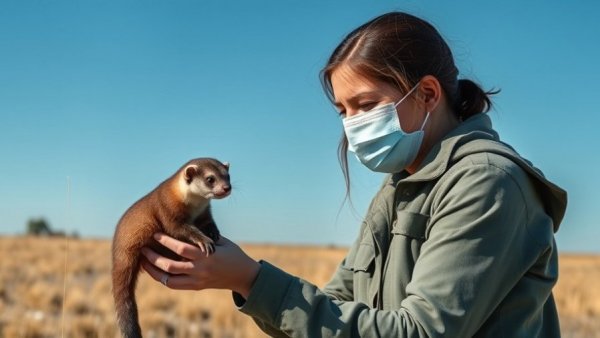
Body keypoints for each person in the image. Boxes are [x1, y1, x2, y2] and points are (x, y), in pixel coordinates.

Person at [141, 11, 567, 337]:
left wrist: (249, 278)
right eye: (343, 111)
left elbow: (416, 331)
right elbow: (337, 305)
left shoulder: (488, 183)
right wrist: (242, 281)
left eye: (365, 105)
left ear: (428, 93)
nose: (351, 124)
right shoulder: (402, 182)